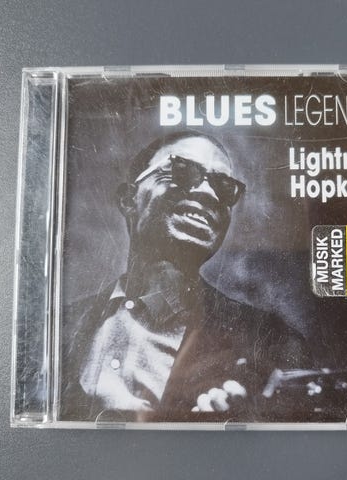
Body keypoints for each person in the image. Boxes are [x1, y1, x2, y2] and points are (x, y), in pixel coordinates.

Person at [60, 131, 312, 423]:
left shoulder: (270, 340)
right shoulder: (59, 327)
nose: (209, 194)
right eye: (183, 171)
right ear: (129, 199)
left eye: (224, 187)